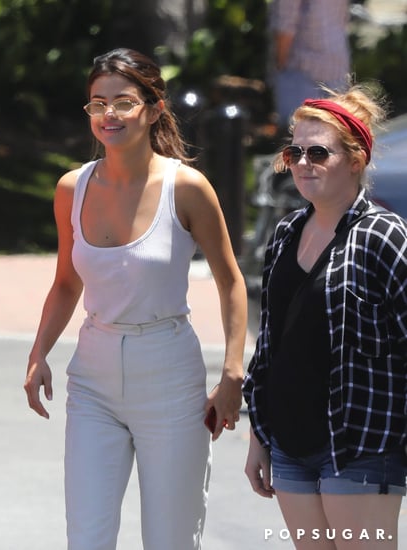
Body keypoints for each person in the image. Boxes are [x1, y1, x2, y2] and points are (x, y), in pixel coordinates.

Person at [24, 48, 248, 550]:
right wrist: (39, 354)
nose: (109, 115)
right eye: (97, 103)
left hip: (169, 373)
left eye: (123, 102)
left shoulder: (186, 187)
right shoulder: (71, 188)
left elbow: (231, 281)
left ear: (153, 108)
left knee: (170, 538)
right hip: (93, 376)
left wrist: (233, 371)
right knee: (86, 537)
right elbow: (66, 283)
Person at [243, 82, 407, 550]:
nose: (302, 164)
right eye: (294, 152)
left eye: (319, 153)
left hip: (360, 444)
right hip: (291, 445)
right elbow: (271, 342)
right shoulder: (286, 231)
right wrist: (260, 436)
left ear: (355, 160)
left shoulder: (384, 236)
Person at [268, 0, 350, 133]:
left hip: (301, 73)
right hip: (337, 65)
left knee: (300, 142)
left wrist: (279, 67)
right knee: (336, 139)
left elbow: (285, 27)